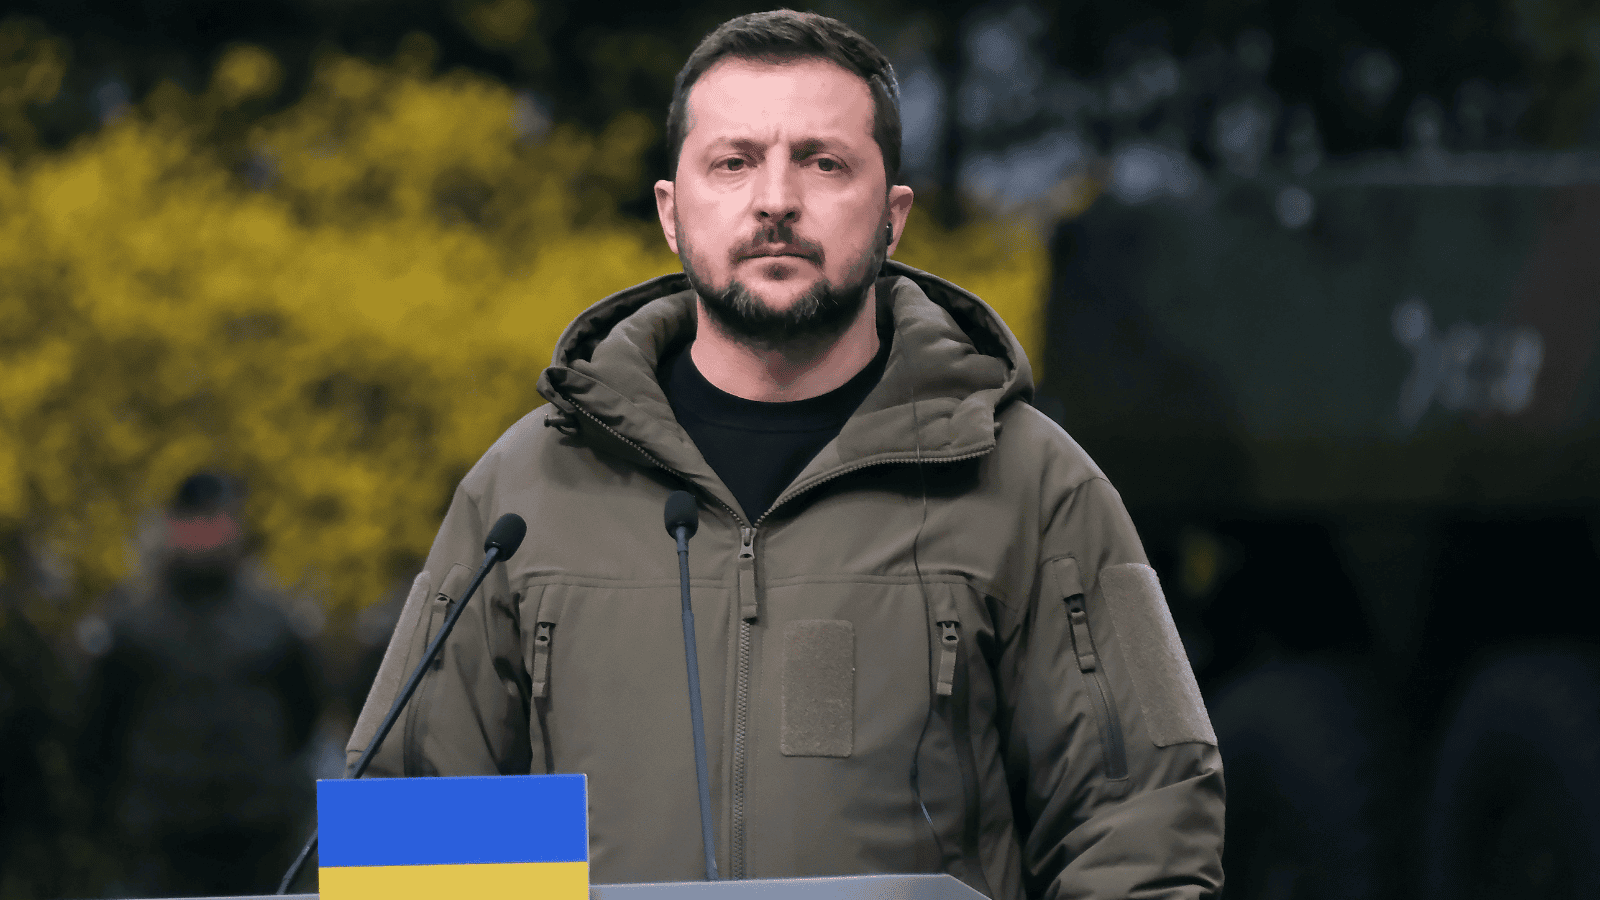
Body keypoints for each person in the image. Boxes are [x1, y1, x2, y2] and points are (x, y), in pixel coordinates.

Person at [350, 11, 1224, 898]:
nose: (775, 200)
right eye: (733, 162)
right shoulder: (525, 489)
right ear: (671, 212)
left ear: (892, 217)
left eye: (823, 162)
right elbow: (418, 842)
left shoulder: (1034, 483)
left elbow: (1140, 832)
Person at [79, 471, 321, 896]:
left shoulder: (273, 619)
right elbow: (99, 728)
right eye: (197, 523)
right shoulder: (132, 622)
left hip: (259, 828)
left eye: (217, 521)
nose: (207, 536)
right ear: (173, 528)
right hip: (162, 834)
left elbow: (306, 711)